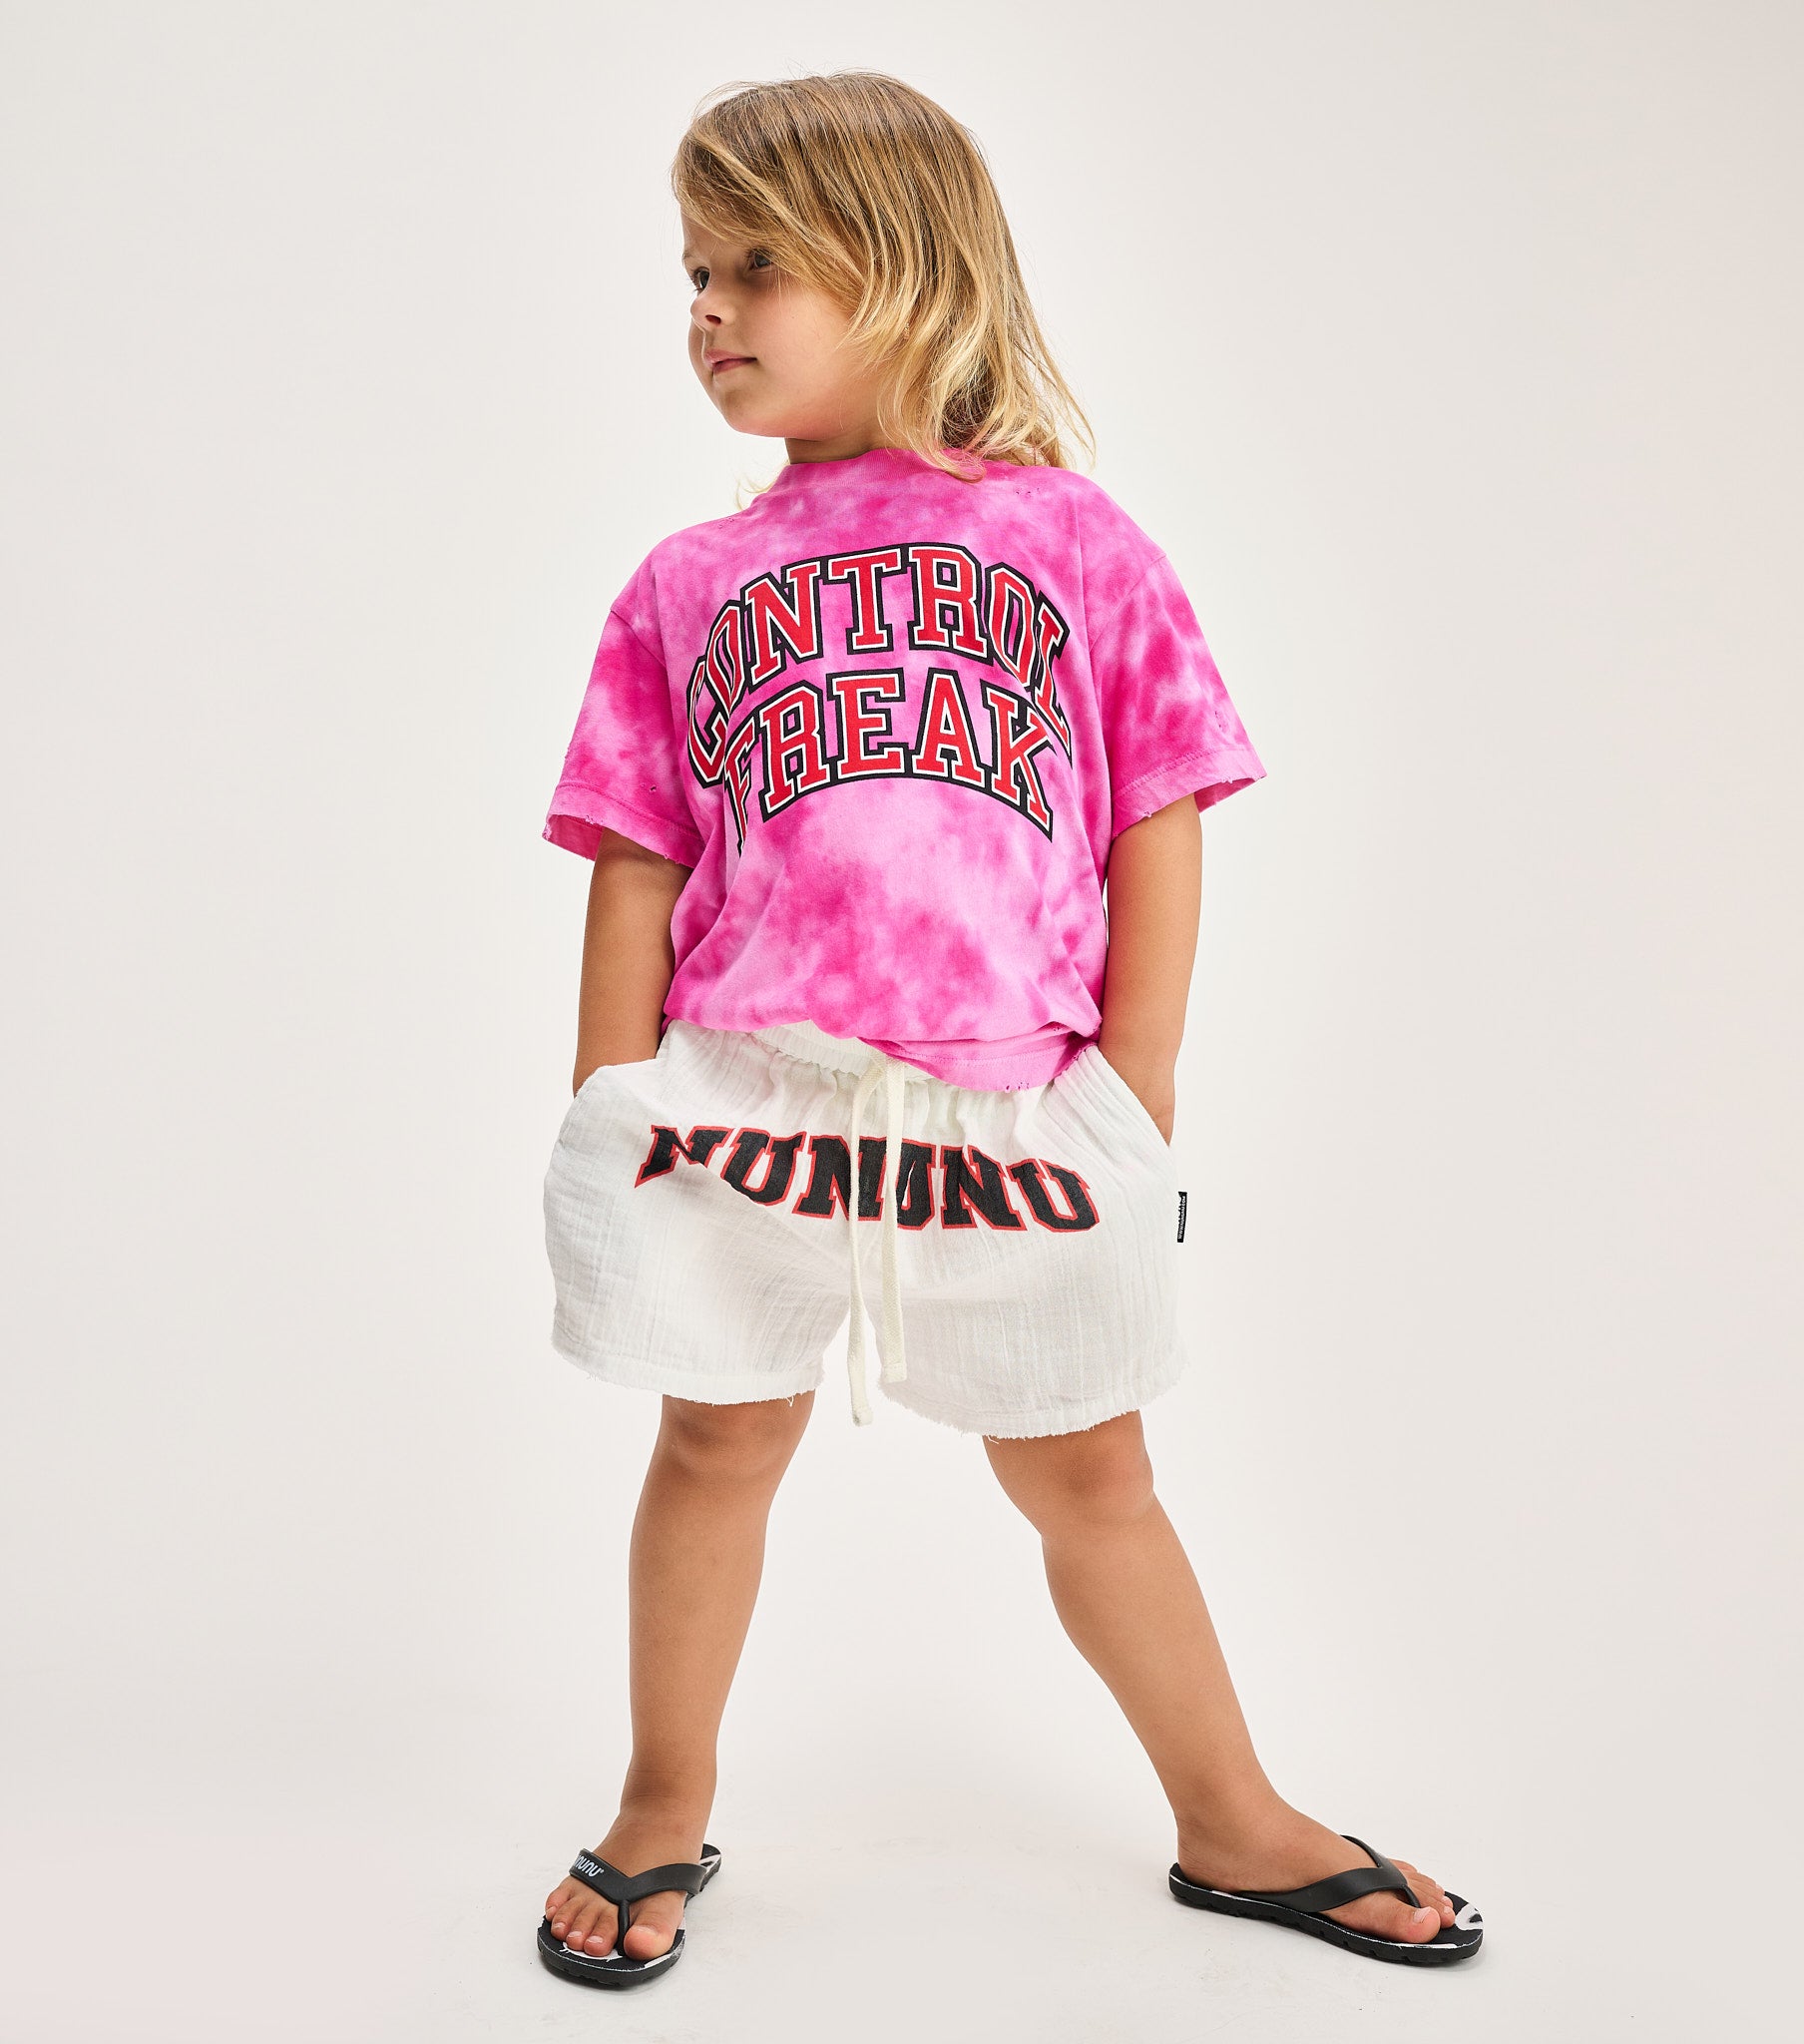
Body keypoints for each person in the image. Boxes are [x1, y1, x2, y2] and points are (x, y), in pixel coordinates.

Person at [533, 71, 1483, 1990]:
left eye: (754, 266)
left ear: (899, 266)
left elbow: (1158, 810)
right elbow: (638, 852)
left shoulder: (1073, 541)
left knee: (1090, 1472)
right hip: (741, 1093)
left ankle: (1233, 1815)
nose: (707, 307)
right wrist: (612, 1098)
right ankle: (658, 1799)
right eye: (693, 271)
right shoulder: (687, 582)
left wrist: (1136, 1085)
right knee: (714, 1440)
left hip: (1016, 1108)